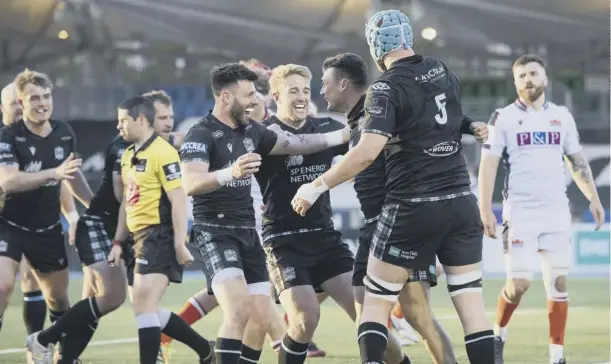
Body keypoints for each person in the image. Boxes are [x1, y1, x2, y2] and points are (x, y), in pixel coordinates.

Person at [292, 10, 496, 364]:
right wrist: (470, 125)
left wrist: (315, 186)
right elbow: (438, 119)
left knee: (374, 304)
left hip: (412, 207)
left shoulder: (383, 89)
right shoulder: (441, 69)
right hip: (461, 201)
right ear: (408, 37)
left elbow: (367, 152)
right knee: (471, 305)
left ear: (375, 45)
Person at [179, 62, 350, 364]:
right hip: (216, 231)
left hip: (248, 232)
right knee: (238, 311)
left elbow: (296, 143)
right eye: (248, 95)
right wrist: (229, 172)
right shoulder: (201, 133)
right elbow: (191, 183)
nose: (254, 102)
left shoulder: (252, 131)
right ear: (226, 98)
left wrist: (341, 137)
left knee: (260, 319)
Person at [478, 54, 605, 364]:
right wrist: (484, 209)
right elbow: (489, 164)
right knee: (519, 285)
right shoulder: (502, 118)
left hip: (556, 212)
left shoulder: (562, 117)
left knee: (559, 283)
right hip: (520, 212)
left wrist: (593, 197)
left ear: (545, 79)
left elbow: (576, 161)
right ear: (515, 82)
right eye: (521, 76)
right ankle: (498, 335)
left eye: (533, 73)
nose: (528, 80)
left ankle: (557, 357)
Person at [251, 63, 357, 364]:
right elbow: (295, 145)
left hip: (325, 236)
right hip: (283, 241)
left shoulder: (325, 126)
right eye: (292, 90)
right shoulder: (264, 134)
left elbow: (366, 147)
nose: (301, 96)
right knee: (305, 318)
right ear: (275, 97)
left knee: (367, 314)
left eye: (306, 91)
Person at [0, 69, 93, 363]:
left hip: (48, 228)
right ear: (21, 102)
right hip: (9, 225)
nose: (42, 103)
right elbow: (9, 181)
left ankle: (60, 354)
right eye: (35, 98)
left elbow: (72, 176)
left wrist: (90, 208)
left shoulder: (64, 132)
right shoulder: (8, 136)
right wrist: (54, 173)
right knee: (2, 286)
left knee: (58, 298)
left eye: (47, 96)